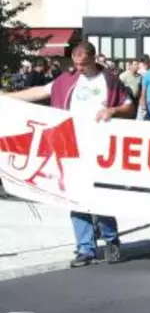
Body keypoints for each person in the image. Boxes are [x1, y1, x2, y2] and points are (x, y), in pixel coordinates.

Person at [3, 42, 134, 267]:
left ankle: (111, 240)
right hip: (70, 145)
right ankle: (85, 248)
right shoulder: (67, 80)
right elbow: (40, 92)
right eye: (76, 64)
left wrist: (113, 110)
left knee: (100, 195)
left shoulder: (109, 81)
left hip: (100, 146)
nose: (79, 68)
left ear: (94, 60)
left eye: (83, 64)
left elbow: (129, 105)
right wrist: (7, 97)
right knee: (75, 195)